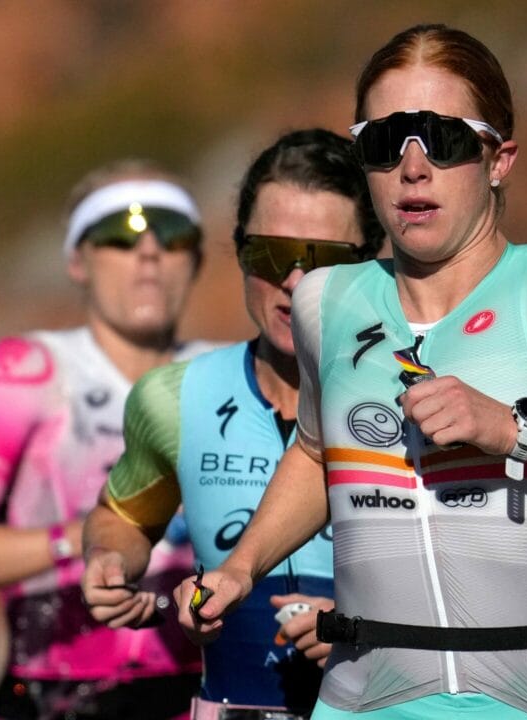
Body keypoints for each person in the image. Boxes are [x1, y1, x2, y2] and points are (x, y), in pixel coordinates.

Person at [175, 24, 527, 720]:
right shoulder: (329, 300)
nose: (413, 167)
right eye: (385, 142)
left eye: (441, 138)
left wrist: (516, 433)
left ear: (498, 158)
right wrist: (242, 563)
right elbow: (319, 451)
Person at [80, 129, 385, 720]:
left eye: (325, 262)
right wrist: (108, 560)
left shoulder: (416, 401)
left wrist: (368, 635)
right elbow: (121, 518)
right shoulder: (173, 397)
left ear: (370, 264)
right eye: (271, 255)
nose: (295, 283)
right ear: (240, 251)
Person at [0, 160, 212, 720]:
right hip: (58, 698)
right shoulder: (27, 370)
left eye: (172, 234)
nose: (149, 250)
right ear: (78, 261)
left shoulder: (223, 375)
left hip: (198, 695)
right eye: (119, 234)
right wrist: (96, 536)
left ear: (196, 259)